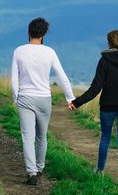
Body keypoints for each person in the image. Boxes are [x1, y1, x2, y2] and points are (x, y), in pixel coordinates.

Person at [70, 29, 118, 185]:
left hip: (107, 107)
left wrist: (77, 102)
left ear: (109, 42)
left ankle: (100, 170)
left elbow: (95, 88)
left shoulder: (104, 60)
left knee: (105, 137)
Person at [11, 17, 75, 185]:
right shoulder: (50, 52)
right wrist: (70, 98)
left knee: (27, 137)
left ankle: (31, 173)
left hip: (25, 97)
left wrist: (16, 97)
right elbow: (62, 76)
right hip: (44, 98)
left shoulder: (19, 51)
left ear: (28, 32)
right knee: (42, 136)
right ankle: (39, 168)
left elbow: (13, 79)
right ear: (44, 33)